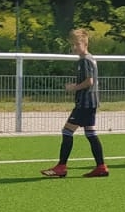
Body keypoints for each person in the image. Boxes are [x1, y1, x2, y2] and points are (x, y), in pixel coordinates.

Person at [42, 27, 109, 178]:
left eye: (77, 44)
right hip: (91, 102)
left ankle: (61, 167)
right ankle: (101, 166)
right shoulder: (90, 59)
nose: (74, 47)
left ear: (85, 44)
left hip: (85, 103)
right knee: (90, 133)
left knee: (67, 131)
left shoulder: (85, 60)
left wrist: (74, 87)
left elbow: (89, 81)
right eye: (72, 44)